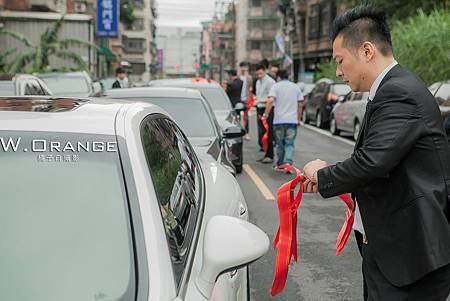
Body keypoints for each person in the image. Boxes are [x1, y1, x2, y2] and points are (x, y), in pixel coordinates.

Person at [302, 5, 450, 301]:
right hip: (393, 251)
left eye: (340, 61)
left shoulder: (399, 92)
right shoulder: (391, 89)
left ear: (367, 51)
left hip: (411, 257)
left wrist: (321, 174)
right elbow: (380, 159)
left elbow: (371, 162)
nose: (338, 71)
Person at [263, 69, 303, 170]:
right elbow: (300, 104)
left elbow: (270, 100)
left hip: (279, 121)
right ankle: (288, 164)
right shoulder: (295, 87)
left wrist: (265, 114)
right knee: (289, 143)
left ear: (278, 77)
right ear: (288, 77)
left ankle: (280, 164)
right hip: (292, 121)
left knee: (279, 144)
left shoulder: (276, 86)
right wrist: (298, 118)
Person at [255, 64, 276, 163]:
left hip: (267, 109)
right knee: (262, 132)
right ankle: (266, 153)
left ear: (265, 71)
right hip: (259, 108)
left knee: (268, 132)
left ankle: (270, 155)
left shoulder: (270, 82)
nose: (259, 75)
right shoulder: (258, 82)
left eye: (261, 73)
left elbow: (271, 98)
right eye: (257, 74)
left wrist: (259, 101)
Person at [239, 62, 253, 140]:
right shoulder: (238, 77)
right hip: (238, 99)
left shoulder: (249, 78)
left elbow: (251, 89)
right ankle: (238, 132)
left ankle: (246, 133)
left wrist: (250, 99)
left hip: (246, 99)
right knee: (237, 117)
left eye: (245, 67)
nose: (244, 69)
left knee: (246, 117)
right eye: (242, 67)